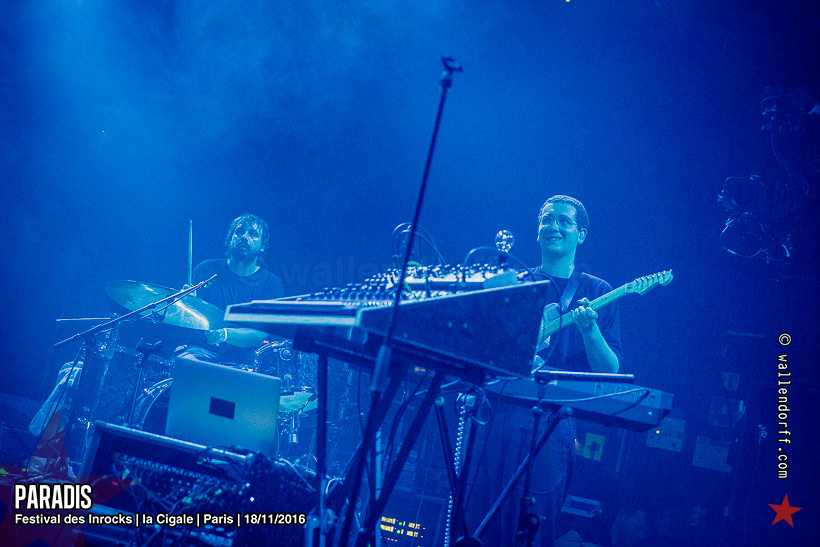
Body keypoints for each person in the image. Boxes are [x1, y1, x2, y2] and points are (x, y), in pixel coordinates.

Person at [465, 195, 622, 547]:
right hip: (495, 411)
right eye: (547, 219)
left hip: (552, 421)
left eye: (564, 221)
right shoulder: (516, 283)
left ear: (581, 234)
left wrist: (590, 330)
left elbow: (610, 371)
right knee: (476, 525)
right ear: (537, 230)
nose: (554, 226)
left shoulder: (599, 291)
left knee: (530, 531)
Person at [181, 213, 285, 365]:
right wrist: (185, 304)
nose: (244, 237)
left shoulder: (272, 284)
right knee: (187, 364)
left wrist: (224, 334)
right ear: (230, 239)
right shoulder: (206, 269)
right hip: (201, 352)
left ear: (262, 246)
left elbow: (259, 335)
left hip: (244, 362)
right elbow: (187, 316)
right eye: (239, 231)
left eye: (253, 234)